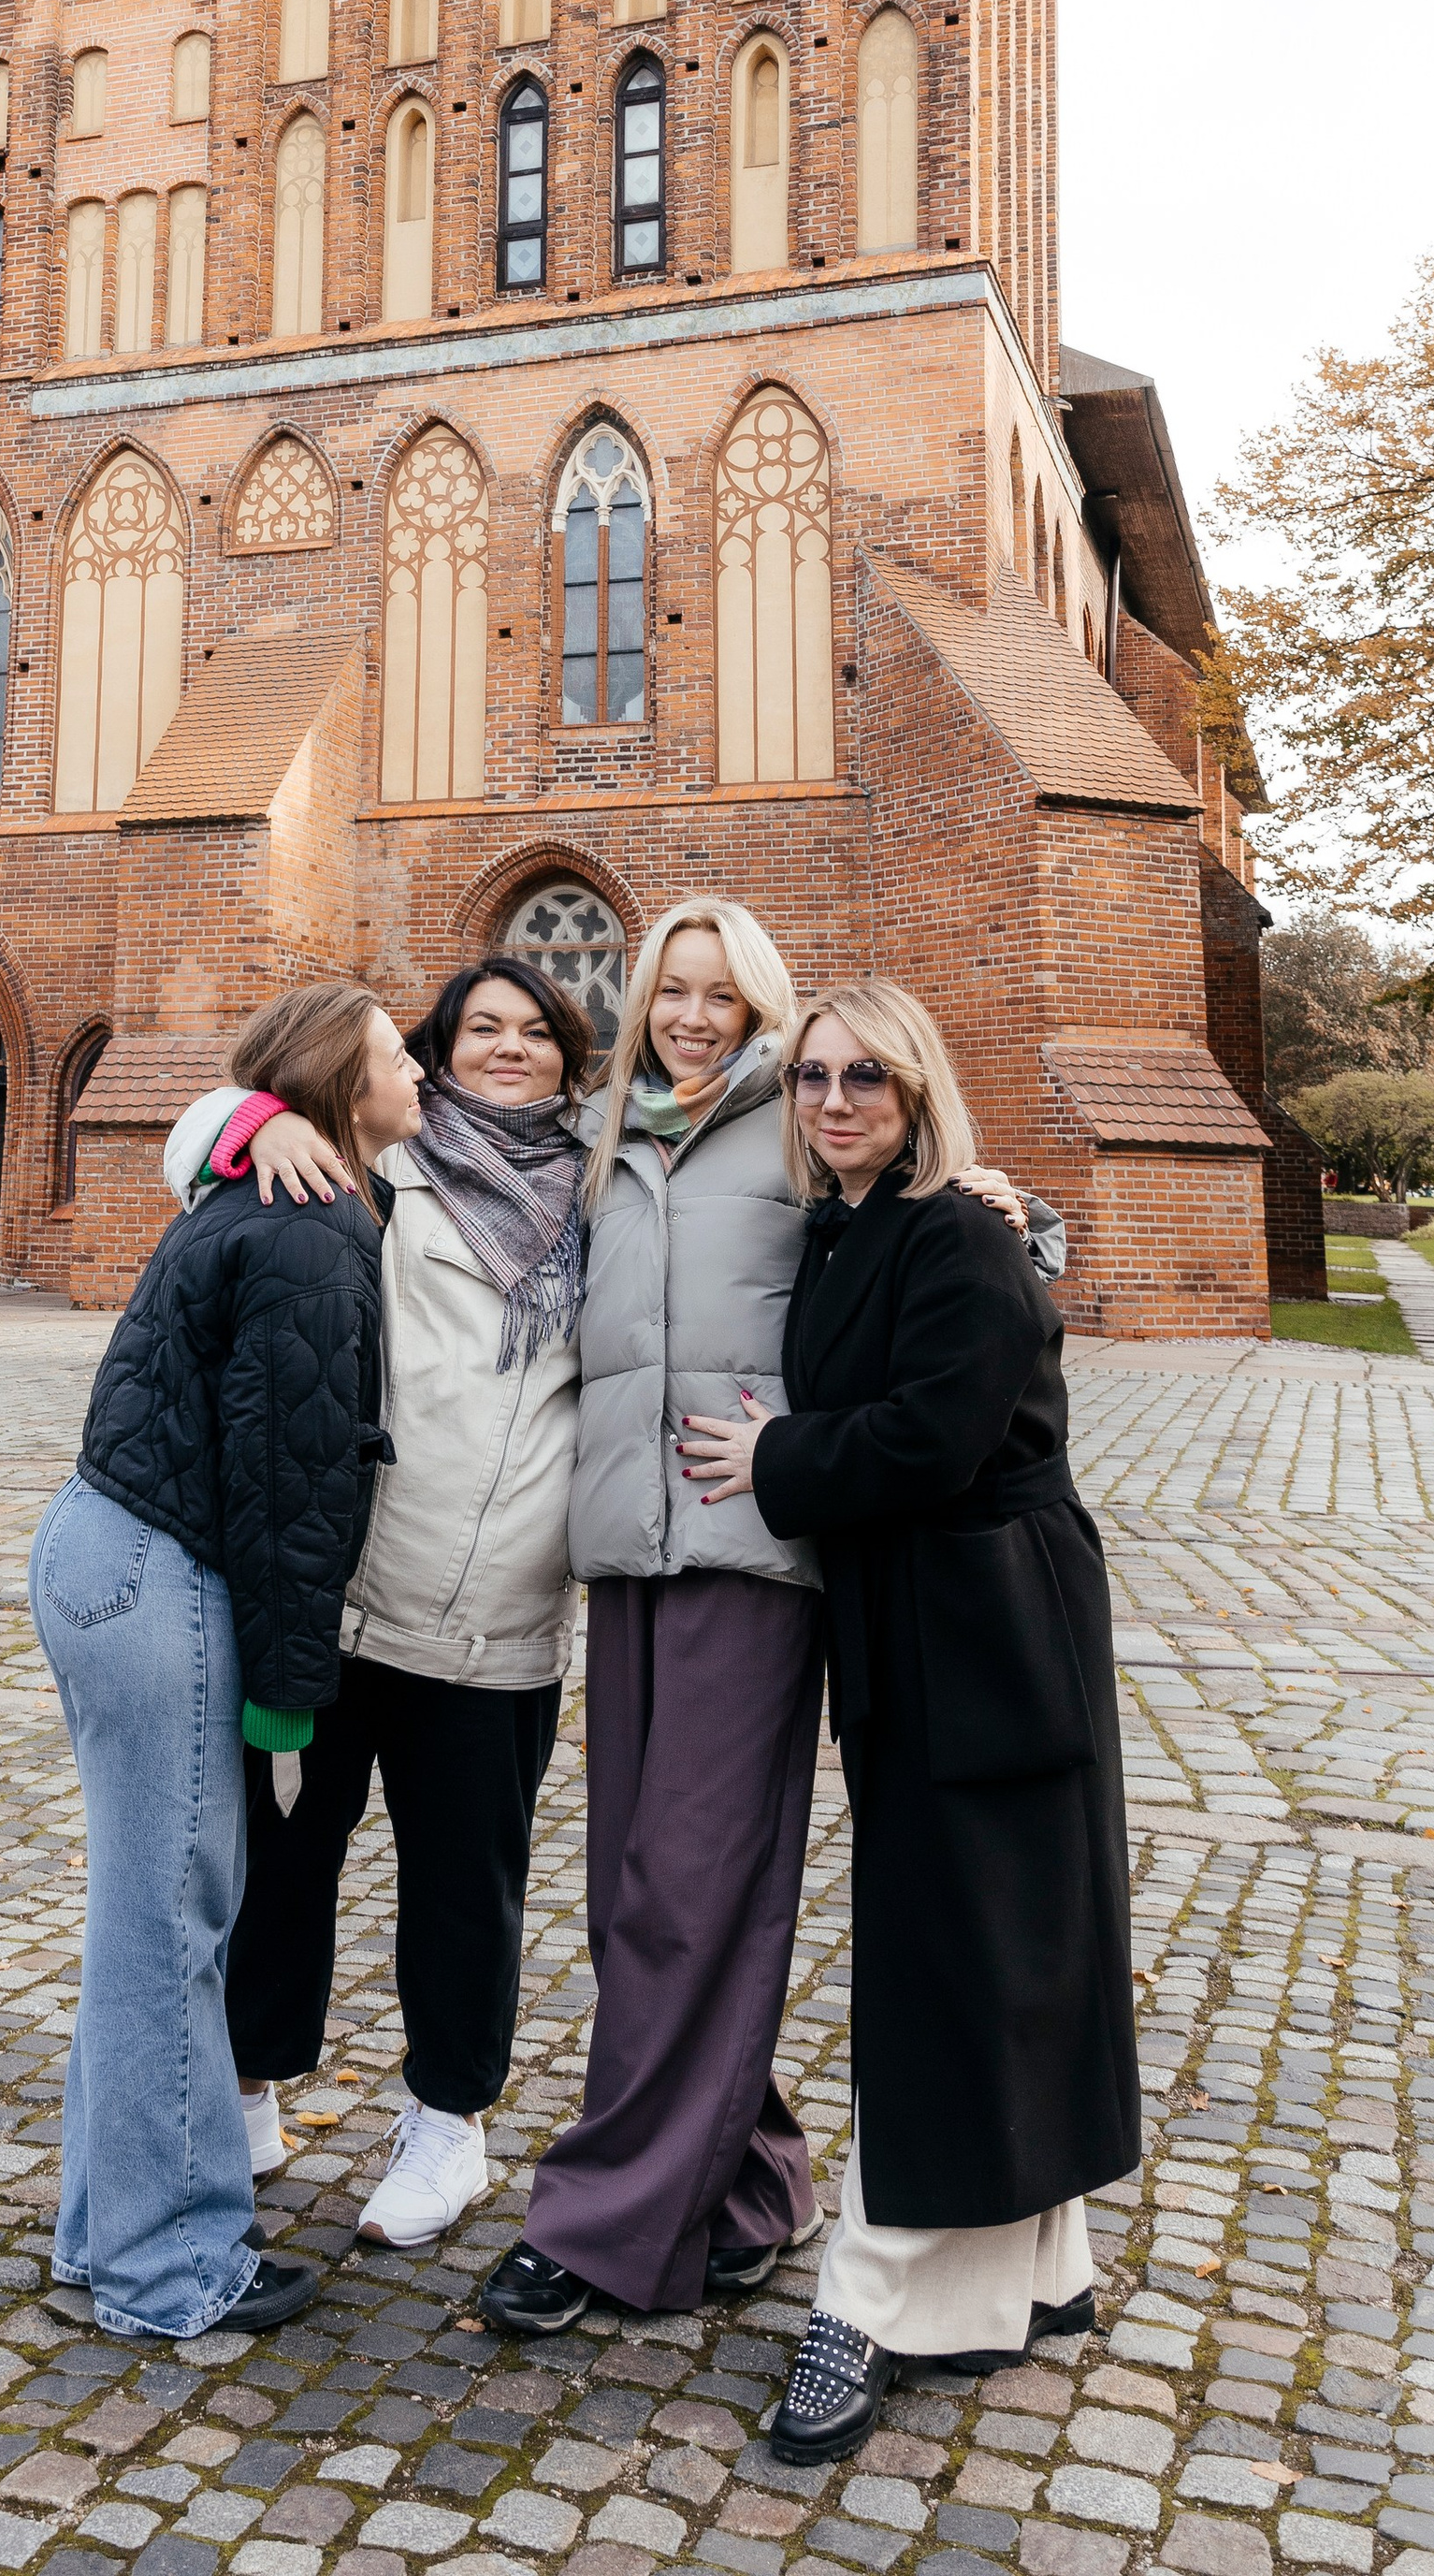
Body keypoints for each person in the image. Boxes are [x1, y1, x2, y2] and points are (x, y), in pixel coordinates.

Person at [479, 902, 1064, 2338]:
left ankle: (608, 2223)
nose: (693, 1018)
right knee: (631, 1897)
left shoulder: (797, 1129)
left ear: (762, 1011)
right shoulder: (601, 1138)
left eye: (722, 996)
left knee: (689, 1890)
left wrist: (1018, 1213)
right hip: (627, 1549)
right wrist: (244, 1124)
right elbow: (433, 1137)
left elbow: (926, 1223)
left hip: (756, 1547)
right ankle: (753, 2186)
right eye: (671, 991)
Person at [676, 980, 1137, 2464]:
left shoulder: (955, 1234)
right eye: (812, 1077)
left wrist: (778, 1456)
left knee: (969, 1952)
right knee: (989, 1944)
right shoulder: (853, 1224)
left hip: (989, 1627)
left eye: (865, 1076)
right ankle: (1037, 2266)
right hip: (919, 1622)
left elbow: (938, 1437)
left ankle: (868, 2296)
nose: (833, 1100)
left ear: (919, 1088)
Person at [165, 954, 596, 2250]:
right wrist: (256, 1117)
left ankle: (447, 2123)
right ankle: (249, 2088)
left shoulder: (607, 1188)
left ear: (571, 1055)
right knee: (283, 1860)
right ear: (437, 1050)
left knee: (466, 1885)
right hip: (344, 1593)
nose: (508, 1048)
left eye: (534, 1031)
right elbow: (196, 1151)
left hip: (501, 1603)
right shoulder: (377, 1160)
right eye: (480, 1029)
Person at [29, 979, 421, 2346]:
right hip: (162, 1565)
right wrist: (288, 1699)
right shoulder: (312, 1230)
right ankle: (169, 2268)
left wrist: (245, 1117)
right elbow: (291, 1485)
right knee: (170, 1929)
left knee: (142, 1918)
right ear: (342, 1083)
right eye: (397, 1055)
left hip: (105, 1541)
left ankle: (103, 2231)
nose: (419, 1072)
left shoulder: (268, 1187)